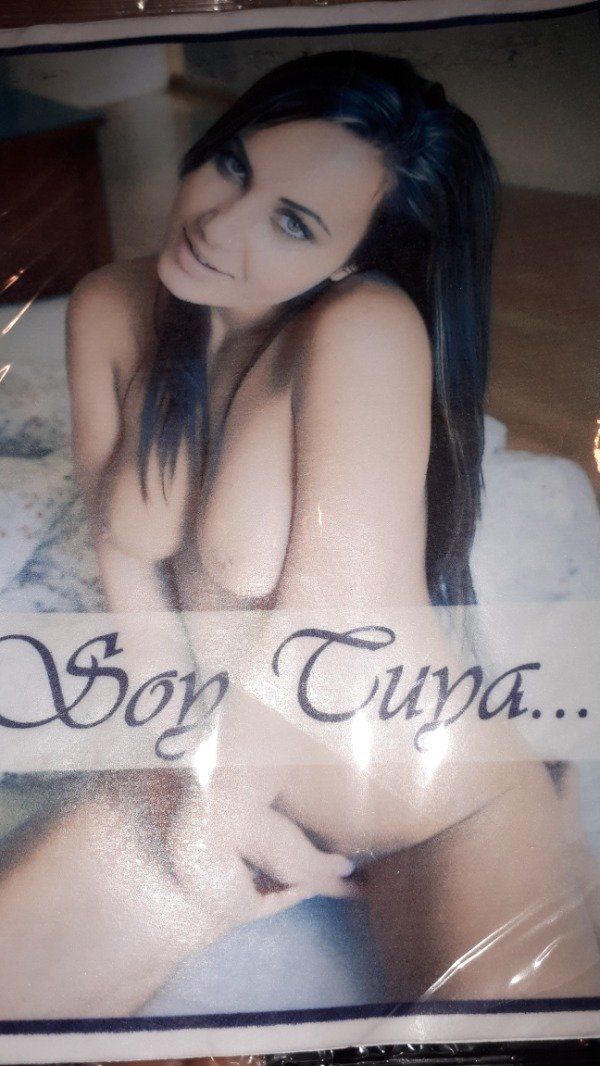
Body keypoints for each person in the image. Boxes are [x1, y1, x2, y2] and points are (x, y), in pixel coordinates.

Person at [0, 51, 598, 1017]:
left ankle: (543, 818)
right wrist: (193, 793)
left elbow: (324, 631)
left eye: (293, 222)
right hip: (210, 758)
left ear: (355, 255)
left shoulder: (364, 327)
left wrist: (217, 823)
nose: (218, 223)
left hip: (427, 803)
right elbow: (130, 575)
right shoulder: (111, 304)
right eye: (234, 165)